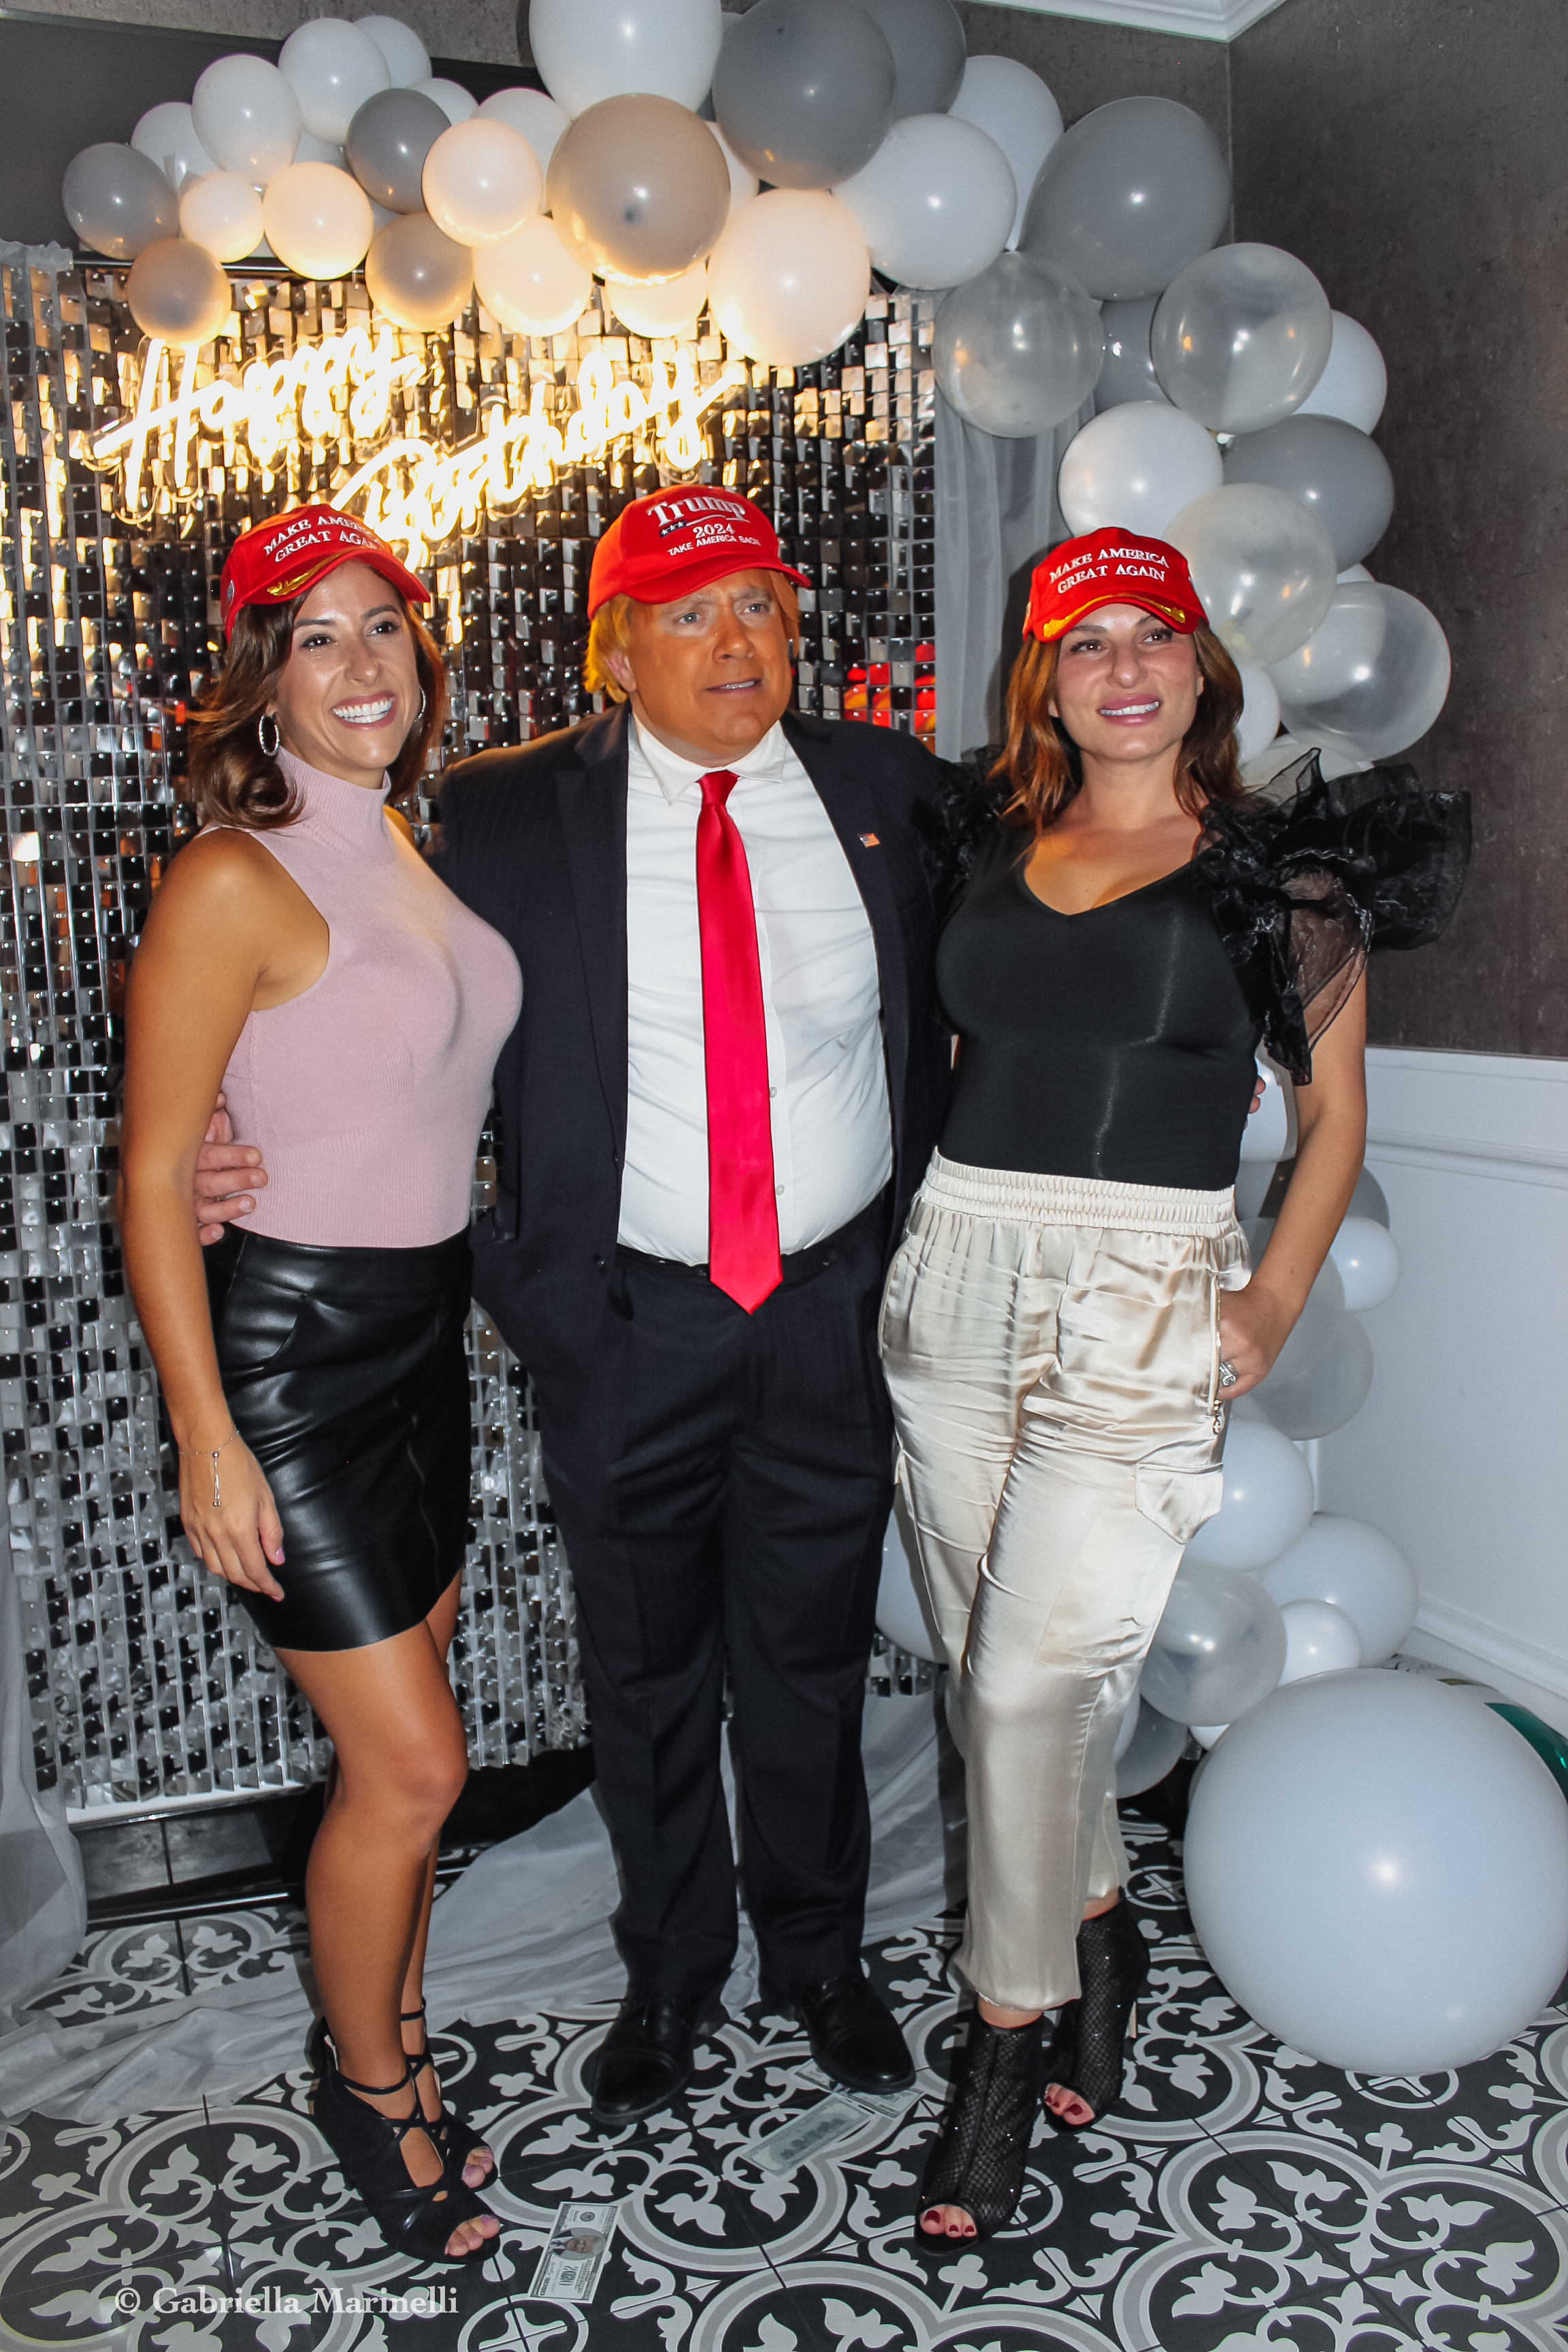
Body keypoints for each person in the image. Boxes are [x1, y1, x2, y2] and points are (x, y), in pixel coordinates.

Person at [195, 486, 953, 2123]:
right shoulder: (494, 812)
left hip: (827, 1308)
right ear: (617, 648)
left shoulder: (894, 792)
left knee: (813, 1661)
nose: (733, 641)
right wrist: (212, 1135)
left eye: (757, 604)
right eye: (686, 612)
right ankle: (670, 1974)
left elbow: (1011, 986)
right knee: (646, 1673)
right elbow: (357, 979)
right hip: (623, 1325)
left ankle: (820, 1959)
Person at [879, 527, 1469, 2246]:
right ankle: (1100, 1927)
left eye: (1155, 636)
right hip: (957, 1273)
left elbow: (1336, 1113)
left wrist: (1269, 1298)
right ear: (1045, 677)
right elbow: (974, 1057)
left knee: (1023, 1690)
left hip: (1147, 1291)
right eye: (1088, 641)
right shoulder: (989, 845)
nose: (1123, 668)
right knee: (999, 1671)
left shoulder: (1279, 876)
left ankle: (1004, 2044)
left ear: (1201, 669)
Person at [118, 507, 523, 2263]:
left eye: (384, 628)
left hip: (421, 1344)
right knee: (415, 1769)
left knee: (402, 1763)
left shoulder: (409, 849)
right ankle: (368, 2091)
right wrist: (205, 1435)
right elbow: (152, 1175)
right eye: (316, 637)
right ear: (263, 681)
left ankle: (403, 2040)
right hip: (291, 1361)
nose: (364, 664)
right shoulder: (233, 873)